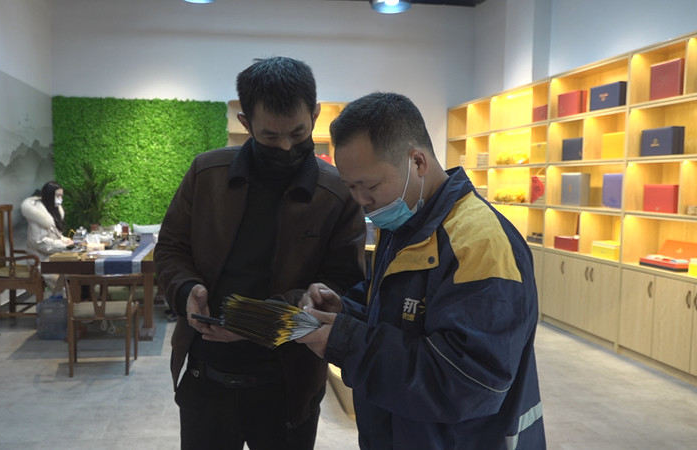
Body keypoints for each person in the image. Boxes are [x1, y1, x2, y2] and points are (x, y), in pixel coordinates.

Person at [297, 92, 546, 449]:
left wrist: (349, 343)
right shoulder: (406, 224)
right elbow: (398, 314)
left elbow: (465, 384)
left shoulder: (480, 244)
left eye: (369, 185)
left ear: (417, 162)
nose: (361, 200)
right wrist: (345, 310)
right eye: (350, 187)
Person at [154, 56, 366, 450]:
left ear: (315, 114)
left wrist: (259, 322)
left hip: (289, 383)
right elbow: (170, 248)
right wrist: (185, 292)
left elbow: (346, 282)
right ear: (246, 123)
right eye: (270, 136)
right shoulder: (206, 174)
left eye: (298, 133)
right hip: (205, 377)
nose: (286, 147)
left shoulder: (339, 192)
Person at [20, 181, 73, 290]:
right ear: (49, 195)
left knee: (77, 269)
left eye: (61, 196)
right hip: (40, 260)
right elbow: (39, 242)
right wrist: (64, 246)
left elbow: (55, 235)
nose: (60, 199)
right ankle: (67, 297)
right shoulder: (38, 215)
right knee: (70, 276)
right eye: (57, 196)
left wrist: (65, 240)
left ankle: (76, 296)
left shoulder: (53, 210)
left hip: (52, 255)